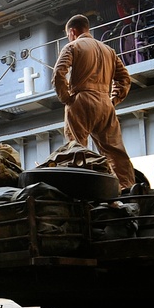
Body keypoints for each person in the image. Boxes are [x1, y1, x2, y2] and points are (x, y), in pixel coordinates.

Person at [53, 13, 136, 190]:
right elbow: (125, 79)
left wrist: (66, 98)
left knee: (76, 148)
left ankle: (82, 191)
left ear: (73, 32)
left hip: (81, 100)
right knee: (116, 151)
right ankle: (128, 189)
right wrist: (114, 99)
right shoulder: (109, 51)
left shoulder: (72, 46)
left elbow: (59, 73)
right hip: (105, 103)